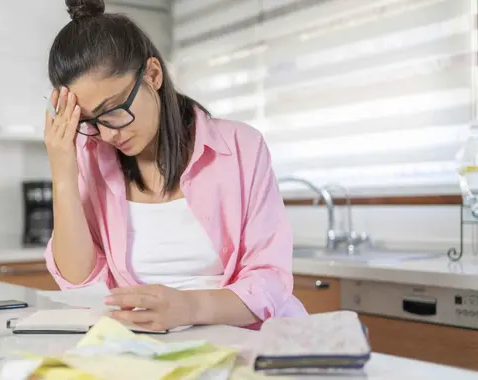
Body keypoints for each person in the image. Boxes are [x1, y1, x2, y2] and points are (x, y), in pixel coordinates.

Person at [42, 0, 307, 331]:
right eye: (91, 121)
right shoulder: (91, 158)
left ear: (153, 74)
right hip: (149, 350)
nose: (108, 133)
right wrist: (63, 169)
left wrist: (191, 307)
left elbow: (271, 280)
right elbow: (78, 283)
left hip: (248, 343)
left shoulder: (240, 146)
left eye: (113, 110)